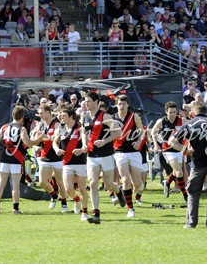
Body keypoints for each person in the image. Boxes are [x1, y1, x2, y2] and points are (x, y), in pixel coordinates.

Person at [169, 104, 207, 228]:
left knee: (193, 192)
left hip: (198, 163)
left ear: (193, 111)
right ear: (206, 112)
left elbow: (171, 141)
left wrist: (184, 150)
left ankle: (191, 223)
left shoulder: (190, 123)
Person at [82, 92, 125, 224]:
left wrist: (104, 141)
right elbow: (83, 132)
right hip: (91, 155)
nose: (86, 104)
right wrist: (84, 144)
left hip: (106, 154)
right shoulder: (85, 116)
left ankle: (118, 191)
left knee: (109, 185)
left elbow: (118, 132)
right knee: (93, 182)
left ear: (96, 102)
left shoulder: (105, 116)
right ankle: (96, 214)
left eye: (88, 101)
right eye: (85, 101)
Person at [0, 105, 37, 215]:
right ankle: (15, 208)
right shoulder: (22, 128)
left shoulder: (5, 127)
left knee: (1, 183)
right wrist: (38, 139)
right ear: (22, 117)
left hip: (4, 157)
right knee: (15, 185)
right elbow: (27, 143)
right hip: (16, 158)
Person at [52, 105, 89, 221]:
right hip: (67, 162)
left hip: (80, 163)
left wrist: (81, 150)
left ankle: (85, 212)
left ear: (71, 116)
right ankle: (77, 199)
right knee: (68, 189)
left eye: (64, 116)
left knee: (82, 188)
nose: (61, 118)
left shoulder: (80, 128)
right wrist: (57, 149)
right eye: (61, 115)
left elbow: (85, 145)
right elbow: (54, 142)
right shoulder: (60, 128)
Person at [32, 105, 68, 212]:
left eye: (41, 113)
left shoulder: (57, 124)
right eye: (39, 113)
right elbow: (35, 139)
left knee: (60, 182)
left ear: (48, 112)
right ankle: (54, 195)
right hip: (44, 157)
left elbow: (56, 138)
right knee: (42, 182)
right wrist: (35, 146)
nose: (40, 115)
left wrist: (45, 137)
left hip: (56, 157)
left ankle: (64, 202)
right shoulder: (41, 125)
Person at [112, 95, 144, 218]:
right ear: (116, 104)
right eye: (119, 104)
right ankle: (130, 208)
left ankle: (138, 191)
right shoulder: (113, 118)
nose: (122, 106)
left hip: (134, 151)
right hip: (119, 152)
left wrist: (138, 142)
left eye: (124, 104)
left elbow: (142, 131)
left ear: (127, 105)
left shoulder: (134, 116)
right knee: (125, 179)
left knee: (137, 183)